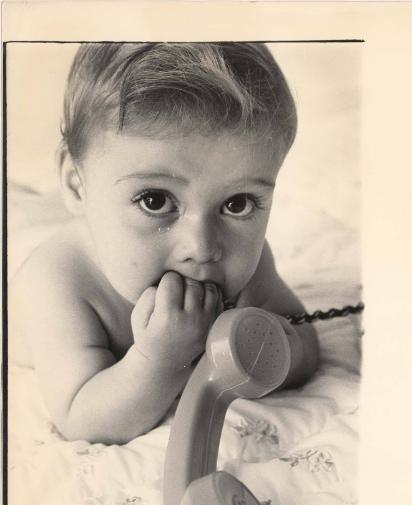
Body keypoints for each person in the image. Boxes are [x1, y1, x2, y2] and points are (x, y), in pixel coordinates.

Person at [9, 43, 319, 445]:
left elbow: (306, 345)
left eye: (237, 204)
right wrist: (162, 359)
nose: (203, 245)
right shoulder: (57, 282)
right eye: (155, 201)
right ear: (77, 183)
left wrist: (258, 346)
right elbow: (81, 418)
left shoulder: (245, 263)